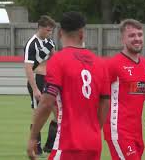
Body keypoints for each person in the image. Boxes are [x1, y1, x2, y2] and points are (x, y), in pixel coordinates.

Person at [26, 11, 110, 160]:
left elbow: (46, 103)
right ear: (82, 34)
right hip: (93, 142)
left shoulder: (58, 60)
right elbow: (105, 103)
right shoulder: (101, 64)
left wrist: (33, 138)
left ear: (60, 33)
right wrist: (95, 129)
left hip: (68, 142)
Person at [103, 19, 145, 160]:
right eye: (132, 35)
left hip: (136, 131)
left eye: (140, 35)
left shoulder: (144, 64)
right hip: (118, 131)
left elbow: (142, 91)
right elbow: (99, 95)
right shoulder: (113, 64)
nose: (137, 39)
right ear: (122, 39)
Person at [23, 15, 57, 155]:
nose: (50, 33)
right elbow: (28, 68)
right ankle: (36, 149)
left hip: (50, 80)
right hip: (38, 80)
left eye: (51, 31)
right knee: (38, 115)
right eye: (48, 30)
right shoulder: (31, 44)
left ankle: (50, 147)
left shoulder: (50, 42)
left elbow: (56, 60)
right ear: (41, 28)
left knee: (58, 113)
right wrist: (35, 89)